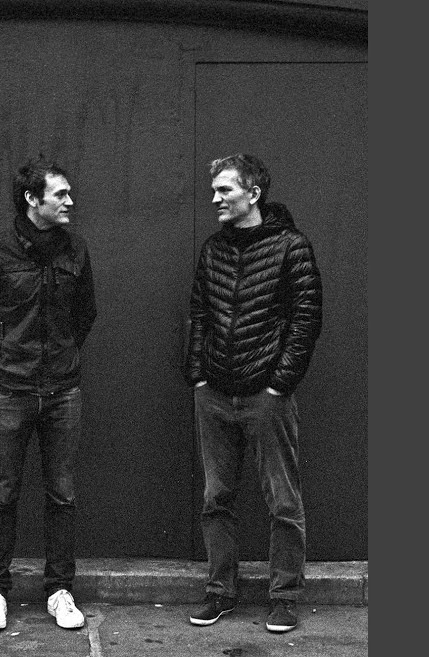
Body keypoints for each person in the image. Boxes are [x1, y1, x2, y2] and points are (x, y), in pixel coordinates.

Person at [184, 153, 323, 634]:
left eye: (225, 190)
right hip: (215, 393)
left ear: (254, 193)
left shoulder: (291, 247)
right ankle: (220, 592)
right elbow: (199, 314)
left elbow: (306, 320)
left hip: (267, 396)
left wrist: (279, 382)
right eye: (215, 190)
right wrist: (198, 375)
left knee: (282, 501)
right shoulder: (214, 249)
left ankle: (284, 597)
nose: (216, 199)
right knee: (216, 498)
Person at [0, 156, 97, 631]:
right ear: (32, 199)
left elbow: (85, 316)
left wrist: (61, 359)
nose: (70, 201)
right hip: (9, 392)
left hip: (62, 391)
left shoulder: (76, 251)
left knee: (62, 493)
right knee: (2, 494)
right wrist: (2, 368)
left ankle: (60, 591)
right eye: (60, 194)